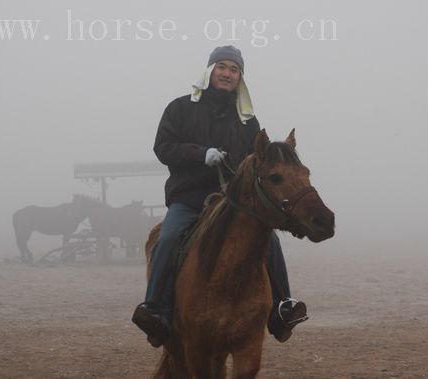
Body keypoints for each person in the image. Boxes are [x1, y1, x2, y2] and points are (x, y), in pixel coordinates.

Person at [132, 45, 308, 348]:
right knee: (169, 237)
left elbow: (257, 162)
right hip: (189, 198)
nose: (228, 73)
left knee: (271, 241)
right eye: (222, 67)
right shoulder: (180, 108)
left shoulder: (247, 121)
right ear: (210, 70)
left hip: (232, 202)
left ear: (240, 77)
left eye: (234, 69)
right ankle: (156, 309)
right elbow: (163, 147)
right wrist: (202, 155)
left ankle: (282, 306)